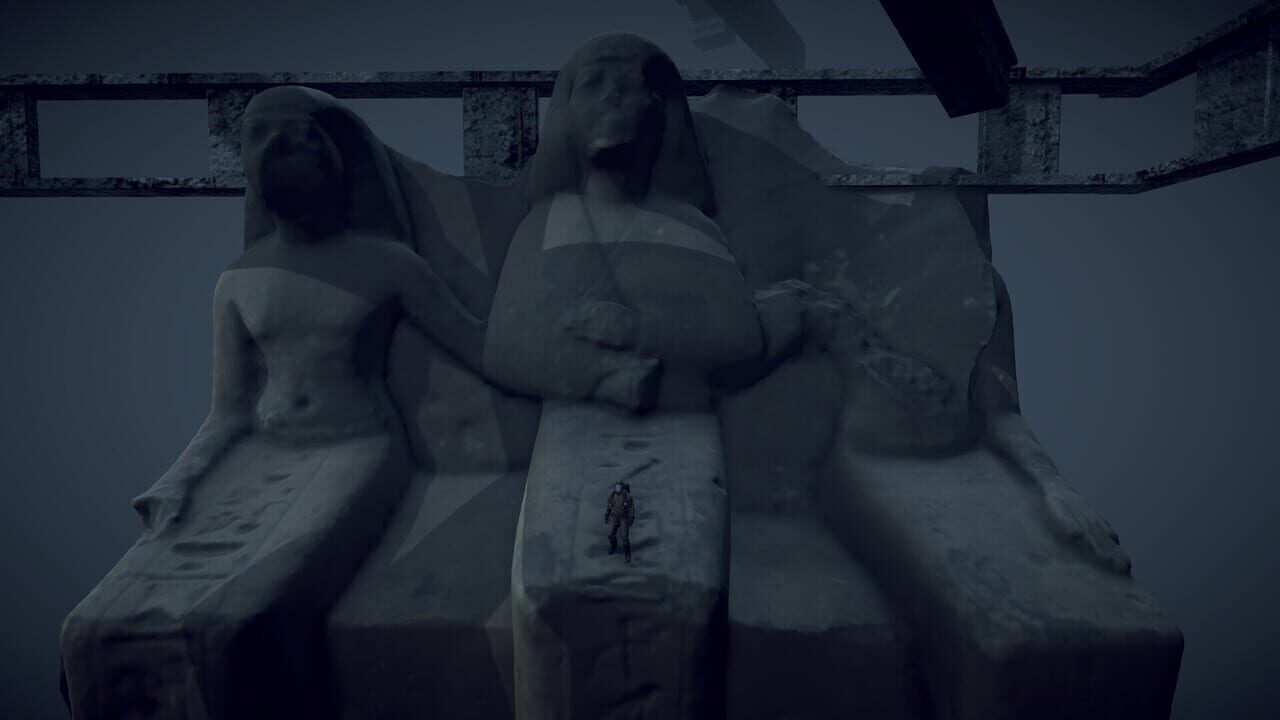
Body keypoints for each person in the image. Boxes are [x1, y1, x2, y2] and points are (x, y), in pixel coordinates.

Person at [61, 85, 488, 720]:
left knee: (240, 619)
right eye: (266, 136)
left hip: (356, 451)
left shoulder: (389, 264)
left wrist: (581, 358)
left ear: (340, 160)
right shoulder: (238, 282)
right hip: (260, 457)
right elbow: (229, 410)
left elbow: (481, 348)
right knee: (100, 626)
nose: (289, 146)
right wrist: (177, 481)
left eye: (307, 135)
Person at [604, 482, 637, 561]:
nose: (618, 488)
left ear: (622, 488)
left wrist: (631, 518)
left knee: (624, 537)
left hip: (623, 518)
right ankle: (614, 545)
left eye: (619, 487)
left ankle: (627, 553)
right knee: (610, 535)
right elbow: (609, 506)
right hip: (614, 517)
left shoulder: (627, 496)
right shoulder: (612, 496)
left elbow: (631, 508)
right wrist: (606, 515)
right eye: (616, 487)